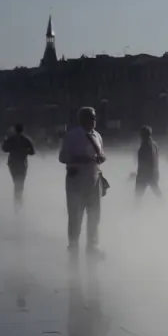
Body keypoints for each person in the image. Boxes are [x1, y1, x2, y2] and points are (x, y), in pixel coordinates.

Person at [58, 107, 106, 254]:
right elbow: (62, 157)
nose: (94, 120)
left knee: (94, 215)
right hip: (77, 181)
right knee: (75, 215)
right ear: (82, 119)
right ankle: (73, 246)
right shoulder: (72, 136)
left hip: (94, 179)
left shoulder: (97, 136)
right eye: (91, 117)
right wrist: (80, 160)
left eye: (94, 117)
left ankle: (92, 247)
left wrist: (102, 158)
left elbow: (101, 154)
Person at [2, 124, 35, 211]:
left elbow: (4, 149)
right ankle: (19, 202)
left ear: (15, 130)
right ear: (23, 130)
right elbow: (32, 152)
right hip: (22, 163)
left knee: (16, 182)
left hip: (12, 163)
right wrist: (24, 150)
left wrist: (12, 149)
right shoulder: (26, 140)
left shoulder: (10, 139)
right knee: (20, 183)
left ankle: (17, 202)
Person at [135, 126, 162, 202]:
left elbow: (144, 162)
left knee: (138, 195)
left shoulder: (145, 146)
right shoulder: (154, 144)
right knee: (157, 192)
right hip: (153, 173)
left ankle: (135, 211)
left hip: (145, 174)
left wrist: (140, 174)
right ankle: (165, 206)